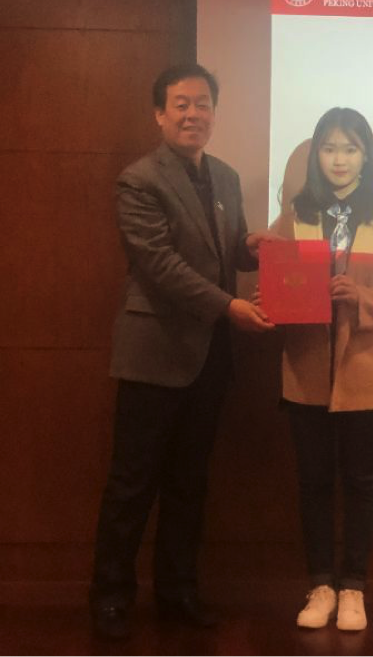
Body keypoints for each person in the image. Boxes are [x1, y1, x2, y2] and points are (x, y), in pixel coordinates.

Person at [90, 63, 274, 641]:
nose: (193, 114)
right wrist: (228, 306)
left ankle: (178, 593)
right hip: (154, 352)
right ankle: (111, 597)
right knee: (132, 483)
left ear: (214, 113)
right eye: (181, 104)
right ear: (160, 114)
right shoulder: (139, 180)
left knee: (190, 483)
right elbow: (161, 266)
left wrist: (250, 247)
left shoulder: (224, 176)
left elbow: (223, 251)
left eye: (203, 104)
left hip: (209, 356)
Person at [266, 107, 373, 631]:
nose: (339, 159)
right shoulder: (297, 212)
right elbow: (275, 276)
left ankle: (354, 586)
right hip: (306, 364)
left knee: (358, 480)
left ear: (366, 155)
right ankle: (321, 585)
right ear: (316, 154)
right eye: (329, 148)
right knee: (312, 481)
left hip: (365, 366)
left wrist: (362, 297)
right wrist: (269, 285)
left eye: (350, 148)